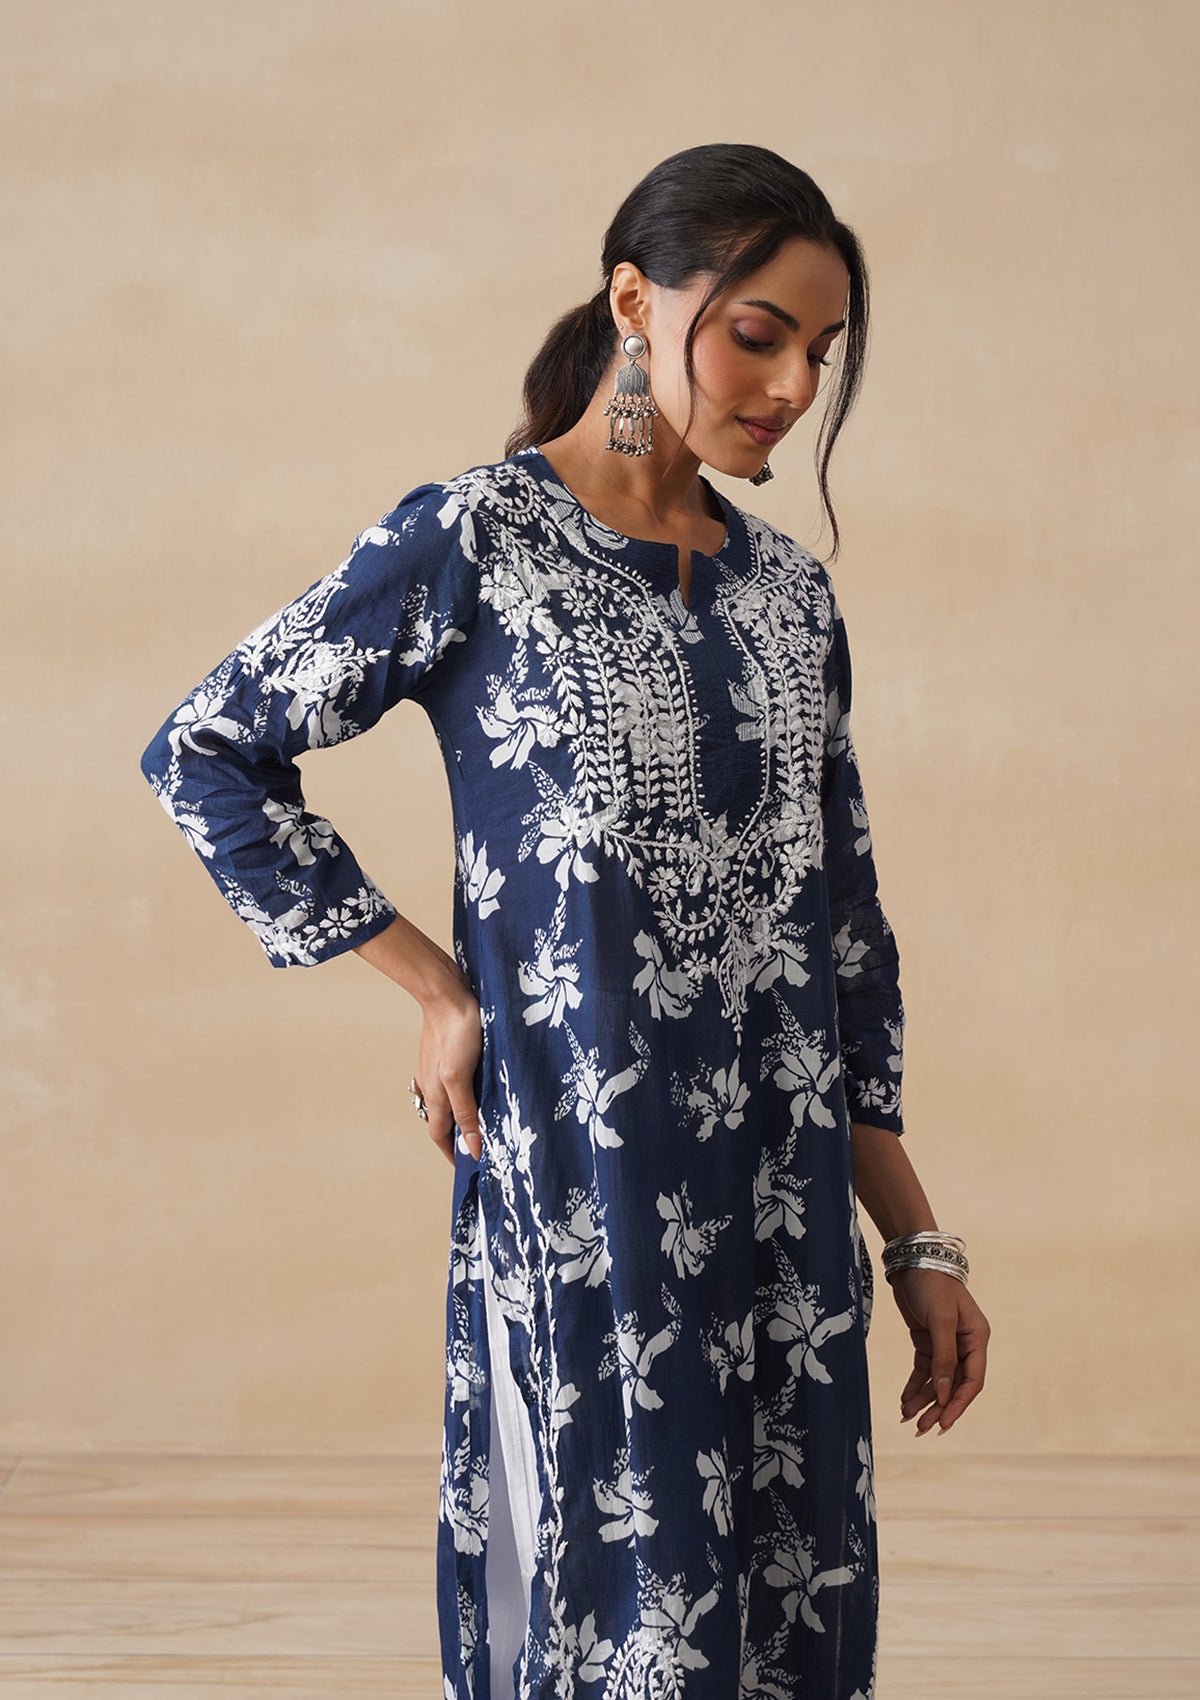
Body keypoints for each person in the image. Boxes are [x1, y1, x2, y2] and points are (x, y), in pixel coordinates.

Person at [139, 141, 990, 1700]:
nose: (795, 387)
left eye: (822, 352)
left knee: (791, 1626)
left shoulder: (790, 597)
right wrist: (433, 987)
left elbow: (841, 943)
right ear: (634, 300)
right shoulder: (477, 541)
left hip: (789, 1220)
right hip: (588, 1197)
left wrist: (915, 1238)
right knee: (617, 1622)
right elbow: (208, 750)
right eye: (759, 335)